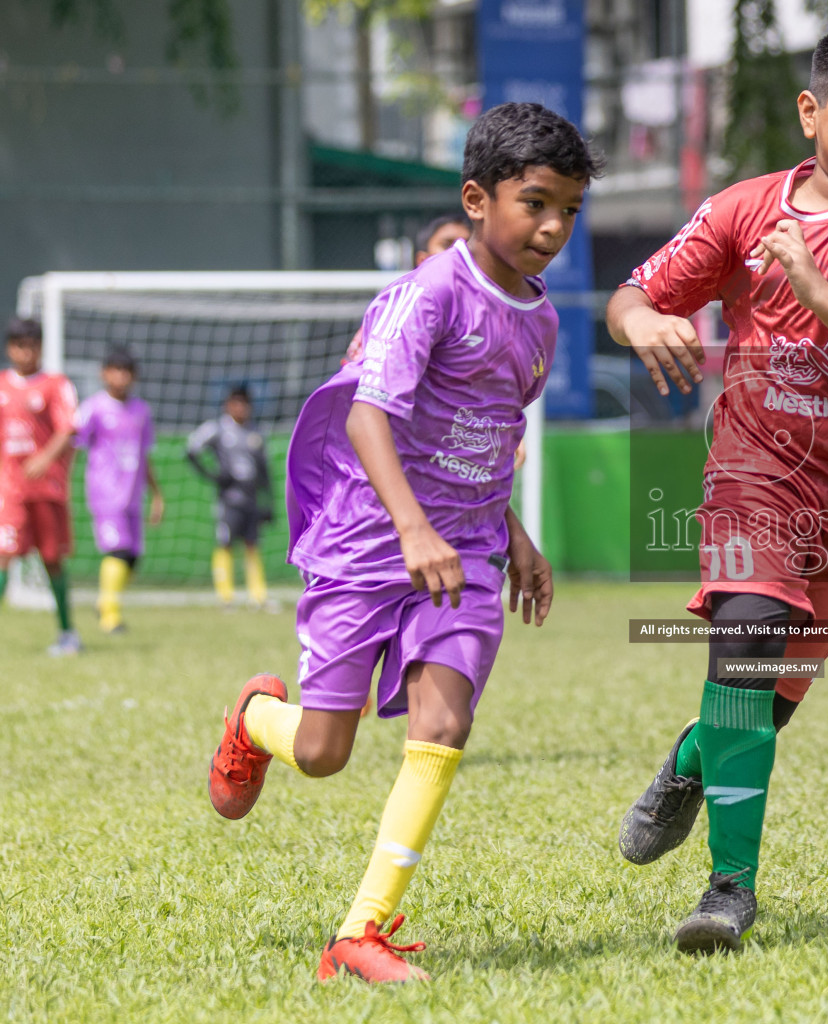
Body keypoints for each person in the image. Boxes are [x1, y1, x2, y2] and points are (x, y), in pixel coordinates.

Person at [205, 101, 596, 983]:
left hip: (463, 556)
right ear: (476, 199)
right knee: (322, 754)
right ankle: (254, 718)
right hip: (368, 546)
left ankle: (362, 932)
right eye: (535, 202)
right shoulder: (428, 295)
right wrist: (413, 526)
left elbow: (484, 437)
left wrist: (516, 535)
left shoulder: (540, 320)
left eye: (568, 209)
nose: (552, 227)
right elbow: (369, 415)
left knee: (444, 720)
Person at [607, 27, 828, 954]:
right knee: (747, 645)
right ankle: (730, 891)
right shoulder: (743, 209)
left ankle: (693, 760)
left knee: (760, 705)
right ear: (813, 113)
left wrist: (818, 290)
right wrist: (645, 319)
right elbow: (632, 296)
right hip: (753, 475)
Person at [0, 316, 82, 655]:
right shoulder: (2, 385)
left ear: (40, 348)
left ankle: (67, 633)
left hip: (46, 489)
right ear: (9, 348)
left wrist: (45, 459)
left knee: (52, 560)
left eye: (31, 345)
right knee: (3, 555)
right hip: (11, 490)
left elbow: (69, 429)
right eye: (19, 345)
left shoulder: (55, 384)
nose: (25, 352)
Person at [74, 347, 165, 633]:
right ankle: (110, 616)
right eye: (115, 369)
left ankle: (104, 601)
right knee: (118, 551)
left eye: (127, 371)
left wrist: (157, 494)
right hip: (105, 493)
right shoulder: (94, 408)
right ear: (104, 373)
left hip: (133, 495)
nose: (121, 376)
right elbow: (73, 445)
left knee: (133, 558)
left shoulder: (141, 411)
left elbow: (144, 455)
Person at [342, 212, 472, 367]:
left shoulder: (489, 311)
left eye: (467, 245)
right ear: (422, 259)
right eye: (447, 244)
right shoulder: (394, 310)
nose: (457, 252)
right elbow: (357, 375)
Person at [185, 385, 273, 609]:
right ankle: (226, 596)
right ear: (227, 405)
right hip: (228, 498)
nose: (241, 408)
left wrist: (268, 501)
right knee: (225, 543)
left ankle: (258, 596)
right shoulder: (217, 429)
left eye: (245, 403)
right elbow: (191, 450)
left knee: (252, 544)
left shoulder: (256, 433)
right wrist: (212, 475)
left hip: (251, 498)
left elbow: (265, 471)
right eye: (236, 402)